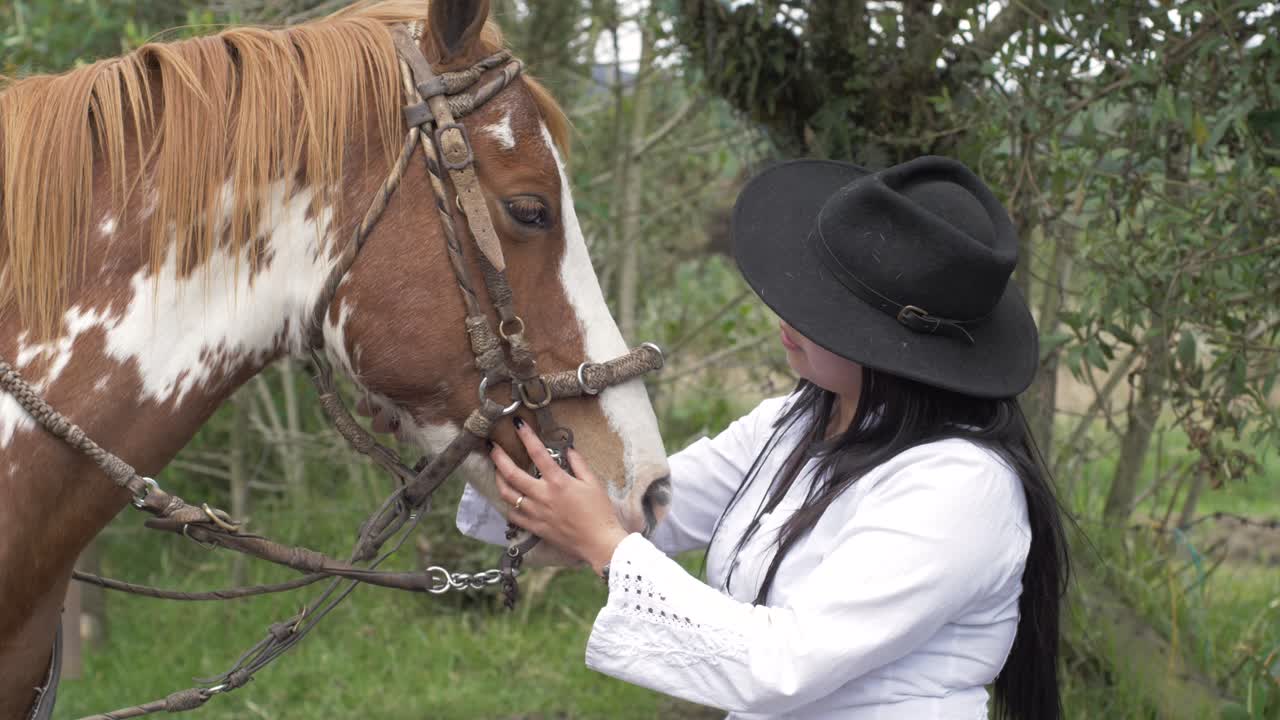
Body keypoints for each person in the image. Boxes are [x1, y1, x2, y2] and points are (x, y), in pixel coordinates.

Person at [463, 156, 1069, 720]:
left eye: (825, 310)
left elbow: (782, 664)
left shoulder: (962, 487)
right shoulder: (798, 423)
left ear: (893, 347)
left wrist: (606, 548)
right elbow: (644, 504)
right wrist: (462, 434)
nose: (788, 316)